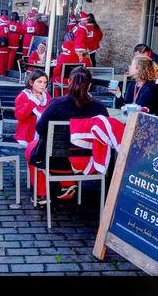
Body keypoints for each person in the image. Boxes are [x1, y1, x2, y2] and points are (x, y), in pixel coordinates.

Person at [25, 67, 109, 205]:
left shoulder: (57, 104)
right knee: (65, 150)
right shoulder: (100, 107)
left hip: (57, 160)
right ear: (89, 85)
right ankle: (66, 185)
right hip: (91, 161)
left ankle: (41, 195)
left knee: (32, 148)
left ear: (69, 82)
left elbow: (40, 129)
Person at [15, 69, 52, 146]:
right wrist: (33, 101)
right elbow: (19, 116)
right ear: (31, 82)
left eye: (45, 82)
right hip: (26, 134)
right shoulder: (23, 96)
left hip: (41, 132)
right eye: (39, 82)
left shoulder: (46, 95)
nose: (43, 85)